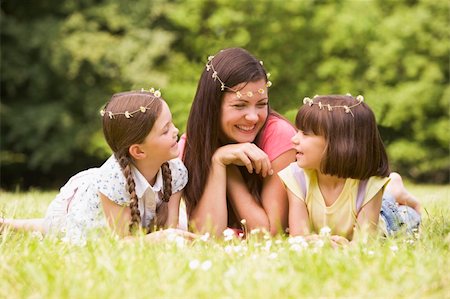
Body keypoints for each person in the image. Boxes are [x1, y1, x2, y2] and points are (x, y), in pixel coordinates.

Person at [1, 89, 196, 244]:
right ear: (138, 151)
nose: (176, 131)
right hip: (87, 215)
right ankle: (8, 225)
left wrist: (169, 238)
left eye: (172, 124)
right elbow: (121, 243)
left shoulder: (176, 170)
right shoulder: (114, 180)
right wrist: (158, 239)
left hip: (133, 220)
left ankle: (10, 225)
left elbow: (170, 232)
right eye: (165, 130)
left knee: (48, 227)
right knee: (57, 228)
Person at [180, 48, 297, 236]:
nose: (252, 117)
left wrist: (231, 172)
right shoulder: (191, 144)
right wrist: (218, 161)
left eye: (261, 104)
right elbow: (205, 236)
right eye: (239, 105)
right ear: (212, 106)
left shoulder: (279, 135)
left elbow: (270, 235)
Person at [278, 94, 421, 245]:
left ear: (339, 143)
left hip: (384, 218)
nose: (294, 139)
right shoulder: (296, 177)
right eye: (298, 131)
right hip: (358, 210)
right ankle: (393, 188)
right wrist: (325, 244)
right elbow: (299, 238)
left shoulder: (370, 184)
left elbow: (364, 243)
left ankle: (396, 190)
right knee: (386, 198)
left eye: (305, 134)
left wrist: (346, 246)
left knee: (405, 218)